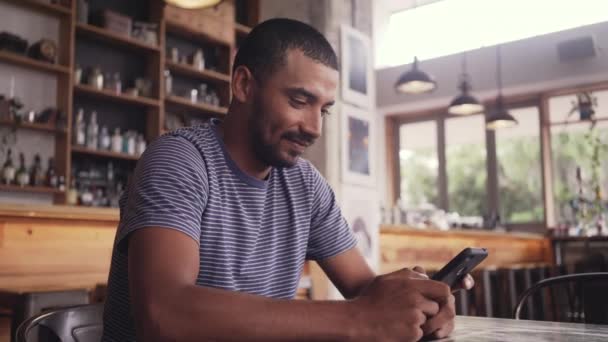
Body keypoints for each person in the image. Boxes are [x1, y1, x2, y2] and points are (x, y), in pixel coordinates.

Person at [102, 18, 474, 341]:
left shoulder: (305, 185)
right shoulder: (180, 160)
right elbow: (165, 314)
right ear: (244, 85)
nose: (314, 128)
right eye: (299, 101)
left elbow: (364, 288)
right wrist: (361, 317)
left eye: (324, 110)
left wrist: (415, 301)